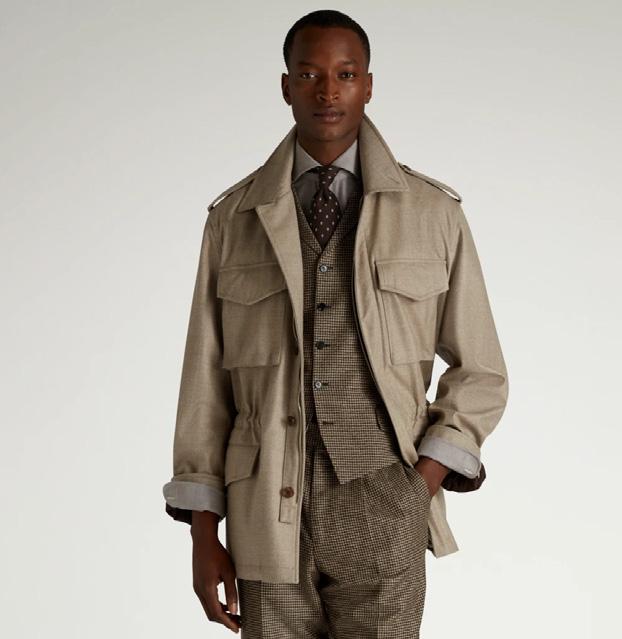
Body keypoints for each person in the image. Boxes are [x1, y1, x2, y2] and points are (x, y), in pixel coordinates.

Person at [162, 9, 508, 638]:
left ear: (368, 85)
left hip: (386, 504)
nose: (327, 91)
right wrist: (203, 533)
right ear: (286, 85)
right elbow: (204, 386)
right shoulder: (233, 220)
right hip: (265, 508)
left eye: (345, 74)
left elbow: (481, 370)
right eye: (309, 74)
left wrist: (420, 486)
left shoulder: (433, 214)